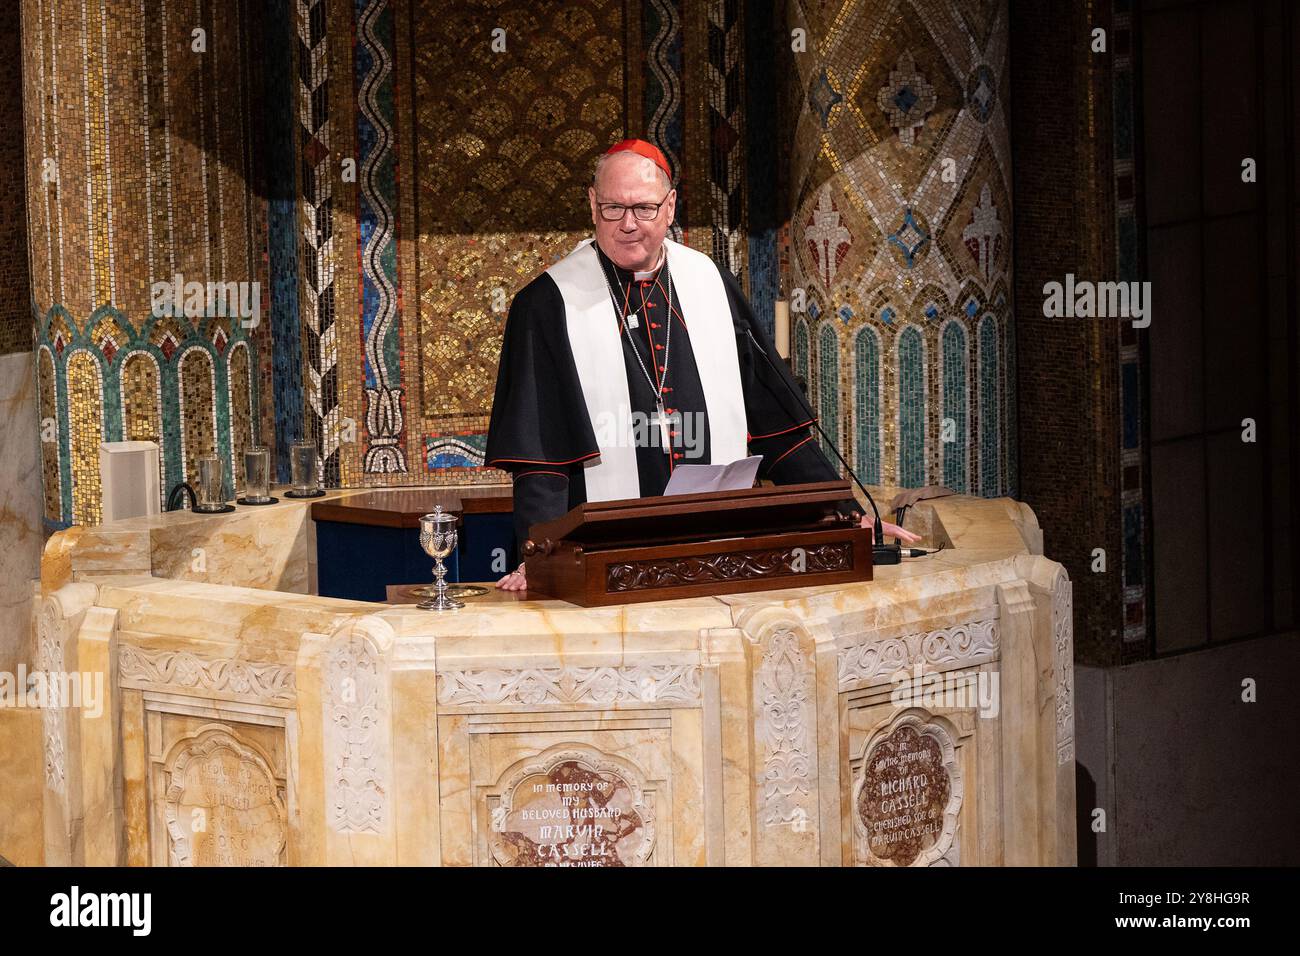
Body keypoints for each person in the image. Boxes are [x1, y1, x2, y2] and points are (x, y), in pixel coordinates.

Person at [486, 138, 919, 591]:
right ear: (592, 204)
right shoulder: (548, 303)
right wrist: (539, 558)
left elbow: (776, 427)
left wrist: (845, 516)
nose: (628, 224)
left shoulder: (710, 282)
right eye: (613, 208)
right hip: (605, 560)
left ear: (670, 206)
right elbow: (540, 459)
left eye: (645, 208)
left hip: (718, 549)